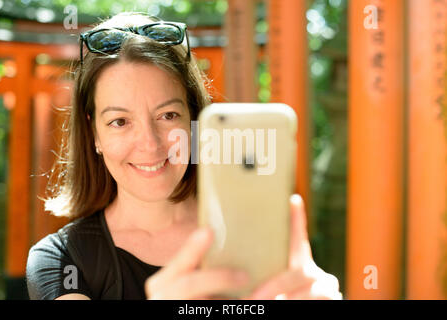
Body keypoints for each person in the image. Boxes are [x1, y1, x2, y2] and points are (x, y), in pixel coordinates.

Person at [25, 12, 342, 300]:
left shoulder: (259, 234)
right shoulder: (63, 260)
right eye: (120, 121)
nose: (150, 144)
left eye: (168, 116)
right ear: (94, 133)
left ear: (195, 122)